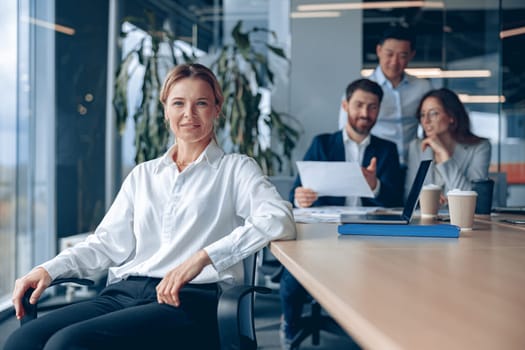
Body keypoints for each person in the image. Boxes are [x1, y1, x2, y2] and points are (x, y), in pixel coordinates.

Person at [6, 63, 296, 350]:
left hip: (190, 298)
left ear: (217, 109)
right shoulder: (143, 174)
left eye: (201, 103)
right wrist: (48, 269)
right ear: (166, 110)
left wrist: (201, 259)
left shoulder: (235, 169)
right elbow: (106, 243)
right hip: (125, 292)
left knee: (67, 344)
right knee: (24, 340)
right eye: (178, 103)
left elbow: (277, 218)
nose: (188, 114)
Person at [280, 78, 402, 349]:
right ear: (345, 105)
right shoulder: (323, 144)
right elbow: (295, 195)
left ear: (379, 110)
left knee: (391, 276)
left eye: (372, 107)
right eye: (359, 105)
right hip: (325, 233)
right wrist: (302, 197)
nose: (365, 113)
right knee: (294, 276)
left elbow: (397, 200)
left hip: (371, 236)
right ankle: (290, 325)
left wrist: (376, 185)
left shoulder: (387, 150)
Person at [337, 25, 433, 168]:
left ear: (412, 55)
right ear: (379, 51)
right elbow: (345, 131)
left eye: (402, 56)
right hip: (377, 164)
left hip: (412, 163)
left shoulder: (422, 88)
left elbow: (432, 126)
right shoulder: (360, 91)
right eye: (389, 54)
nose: (394, 62)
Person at [405, 87, 491, 198]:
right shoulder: (417, 147)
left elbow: (472, 199)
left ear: (451, 117)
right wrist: (431, 202)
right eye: (422, 115)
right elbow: (409, 197)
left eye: (433, 113)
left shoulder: (479, 147)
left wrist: (444, 157)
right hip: (426, 215)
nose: (426, 121)